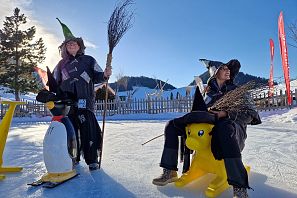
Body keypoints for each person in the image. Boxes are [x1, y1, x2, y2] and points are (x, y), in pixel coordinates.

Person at [152, 59, 261, 198]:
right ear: (215, 72)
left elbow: (251, 115)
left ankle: (239, 186)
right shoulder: (208, 92)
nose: (228, 70)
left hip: (230, 130)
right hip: (206, 130)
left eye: (229, 68)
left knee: (224, 128)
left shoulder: (237, 92)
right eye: (223, 68)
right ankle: (169, 170)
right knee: (171, 126)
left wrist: (225, 113)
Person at [53, 18, 112, 171]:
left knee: (88, 131)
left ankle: (92, 159)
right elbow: (54, 82)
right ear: (65, 48)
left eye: (74, 43)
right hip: (68, 105)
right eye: (68, 44)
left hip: (85, 102)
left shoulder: (89, 60)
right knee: (70, 132)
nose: (71, 45)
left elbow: (100, 75)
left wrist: (105, 74)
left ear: (79, 46)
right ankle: (73, 158)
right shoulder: (60, 65)